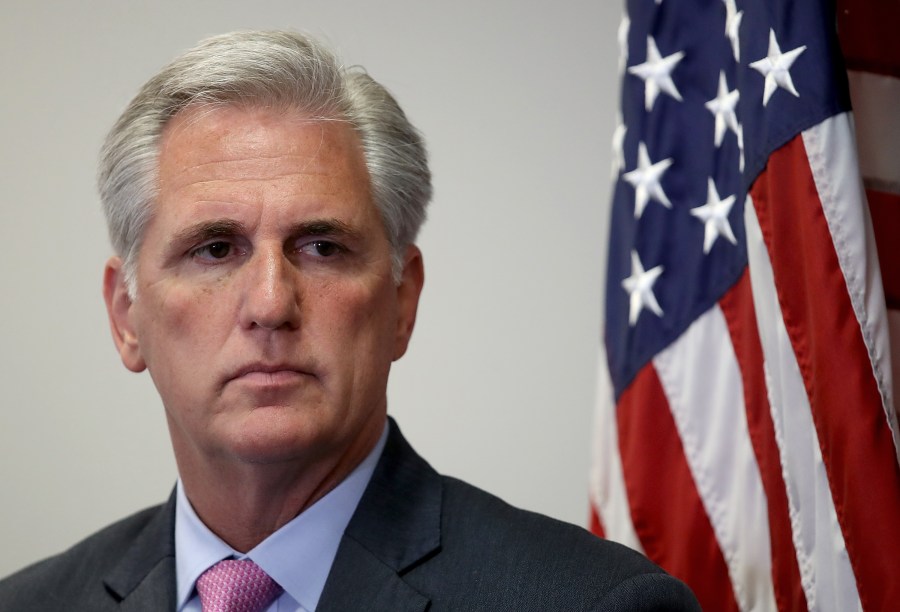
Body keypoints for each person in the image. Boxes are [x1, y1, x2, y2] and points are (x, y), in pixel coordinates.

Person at [0, 31, 700, 611]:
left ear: (403, 300)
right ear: (126, 316)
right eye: (215, 249)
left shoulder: (593, 605)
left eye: (322, 247)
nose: (272, 304)